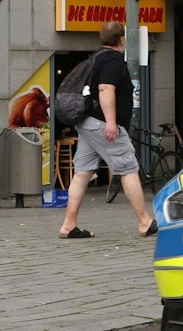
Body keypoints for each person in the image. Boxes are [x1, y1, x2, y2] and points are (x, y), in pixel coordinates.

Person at [56, 22, 155, 241]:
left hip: (88, 122)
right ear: (121, 40)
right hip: (102, 124)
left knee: (82, 172)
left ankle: (68, 225)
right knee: (128, 167)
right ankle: (145, 222)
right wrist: (111, 121)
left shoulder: (97, 58)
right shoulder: (113, 60)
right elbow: (105, 89)